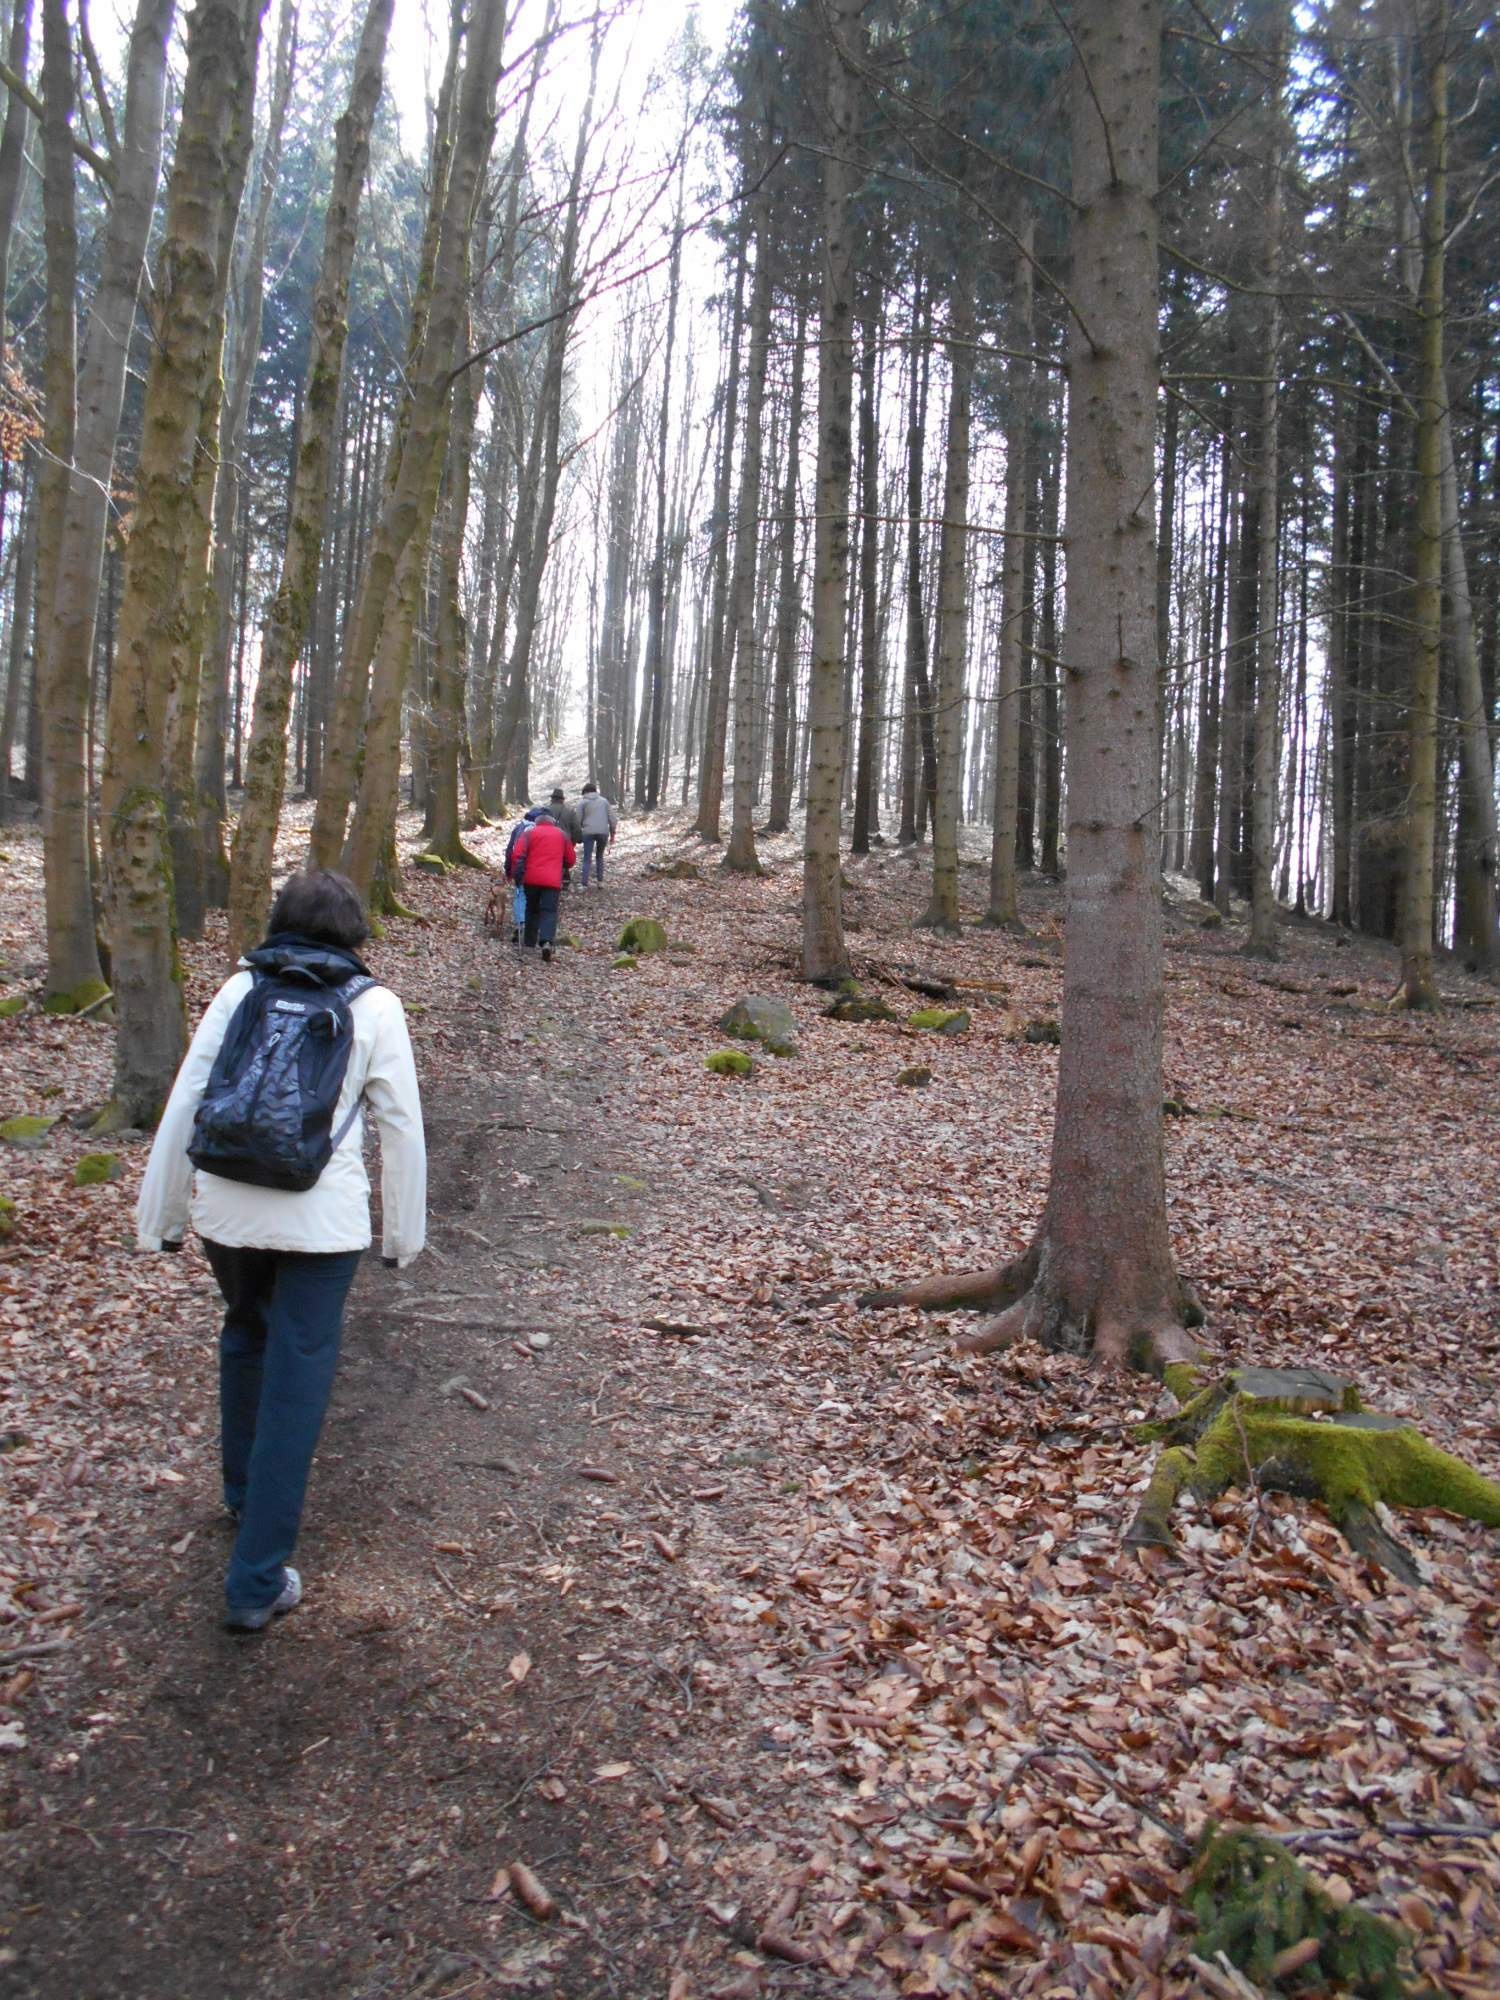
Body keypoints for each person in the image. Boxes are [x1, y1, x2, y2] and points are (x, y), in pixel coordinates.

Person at [136, 869, 426, 1632]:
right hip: (321, 1224)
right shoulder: (376, 1006)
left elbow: (188, 1100)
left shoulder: (240, 990)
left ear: (278, 922)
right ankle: (257, 1580)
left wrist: (164, 1217)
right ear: (355, 932)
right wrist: (402, 1235)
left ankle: (243, 1496)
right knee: (297, 1375)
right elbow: (400, 1128)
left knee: (245, 1331)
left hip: (226, 1210)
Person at [506, 806, 575, 962]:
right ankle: (546, 942)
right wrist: (561, 864)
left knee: (532, 909)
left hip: (531, 879)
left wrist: (517, 874)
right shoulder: (562, 835)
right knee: (549, 911)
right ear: (552, 821)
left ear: (537, 821)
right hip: (552, 880)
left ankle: (529, 944)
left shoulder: (528, 833)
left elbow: (517, 855)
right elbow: (571, 859)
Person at [503, 802, 547, 944]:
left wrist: (508, 870)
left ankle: (520, 923)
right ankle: (533, 926)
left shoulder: (519, 828)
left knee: (520, 896)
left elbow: (510, 850)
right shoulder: (541, 832)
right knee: (536, 898)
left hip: (520, 869)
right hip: (537, 870)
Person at [577, 781, 618, 887]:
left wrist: (578, 833)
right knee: (599, 856)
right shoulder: (604, 802)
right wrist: (612, 833)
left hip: (588, 832)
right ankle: (600, 882)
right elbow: (613, 819)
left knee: (587, 858)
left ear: (585, 792)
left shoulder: (583, 803)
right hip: (603, 832)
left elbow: (577, 820)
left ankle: (584, 884)